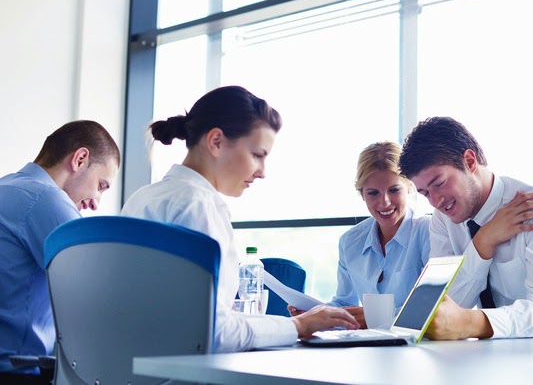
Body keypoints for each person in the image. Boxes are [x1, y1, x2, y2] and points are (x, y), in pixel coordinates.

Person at [120, 86, 357, 352]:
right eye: (257, 155)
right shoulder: (199, 206)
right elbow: (213, 334)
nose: (262, 172)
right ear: (216, 141)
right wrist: (300, 326)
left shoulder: (142, 198)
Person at [398, 116, 533, 340]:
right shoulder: (443, 220)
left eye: (439, 183)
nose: (436, 201)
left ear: (470, 162)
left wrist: (473, 322)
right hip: (504, 355)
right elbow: (438, 310)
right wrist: (483, 242)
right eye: (425, 193)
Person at [0, 120, 120, 384]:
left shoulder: (7, 187)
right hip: (17, 375)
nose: (95, 203)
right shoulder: (45, 199)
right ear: (79, 159)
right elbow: (103, 292)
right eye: (101, 185)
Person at [294, 141, 430, 326]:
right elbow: (344, 302)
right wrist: (315, 313)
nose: (384, 202)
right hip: (368, 346)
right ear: (361, 194)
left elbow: (432, 307)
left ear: (409, 187)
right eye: (373, 193)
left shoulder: (427, 232)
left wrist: (374, 318)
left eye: (394, 190)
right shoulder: (350, 241)